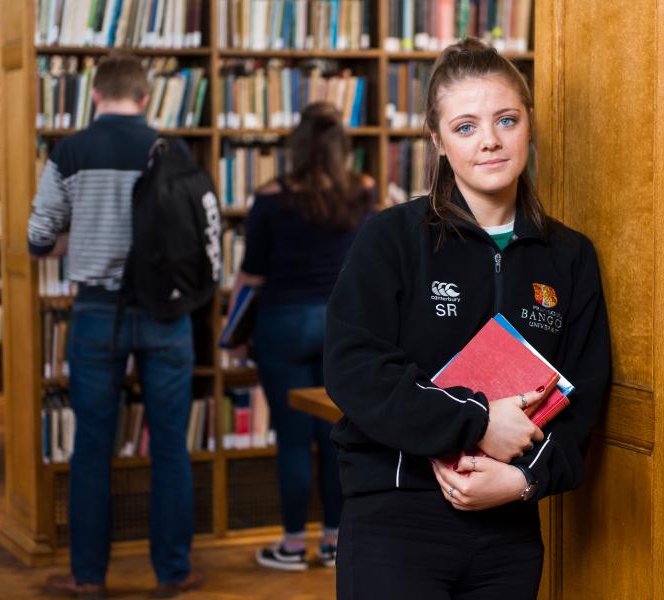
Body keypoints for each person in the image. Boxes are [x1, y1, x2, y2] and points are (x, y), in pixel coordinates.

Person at [324, 38, 611, 599]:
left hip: (509, 529)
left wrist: (525, 479)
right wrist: (477, 422)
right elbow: (355, 369)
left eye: (507, 120)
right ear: (437, 142)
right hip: (395, 515)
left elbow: (585, 396)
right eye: (465, 127)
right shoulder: (391, 239)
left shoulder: (570, 257)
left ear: (529, 123)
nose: (490, 142)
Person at [27, 54, 211, 598]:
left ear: (95, 94)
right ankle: (172, 571)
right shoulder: (172, 150)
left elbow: (39, 238)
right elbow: (199, 235)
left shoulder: (71, 151)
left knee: (90, 446)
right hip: (166, 315)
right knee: (171, 446)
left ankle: (88, 576)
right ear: (147, 98)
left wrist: (78, 238)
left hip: (96, 314)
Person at [230, 101, 376, 571]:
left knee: (292, 440)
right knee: (337, 435)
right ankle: (335, 542)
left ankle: (293, 545)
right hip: (341, 324)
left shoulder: (271, 195)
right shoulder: (363, 191)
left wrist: (232, 328)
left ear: (297, 145)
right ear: (342, 148)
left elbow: (251, 274)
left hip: (282, 324)